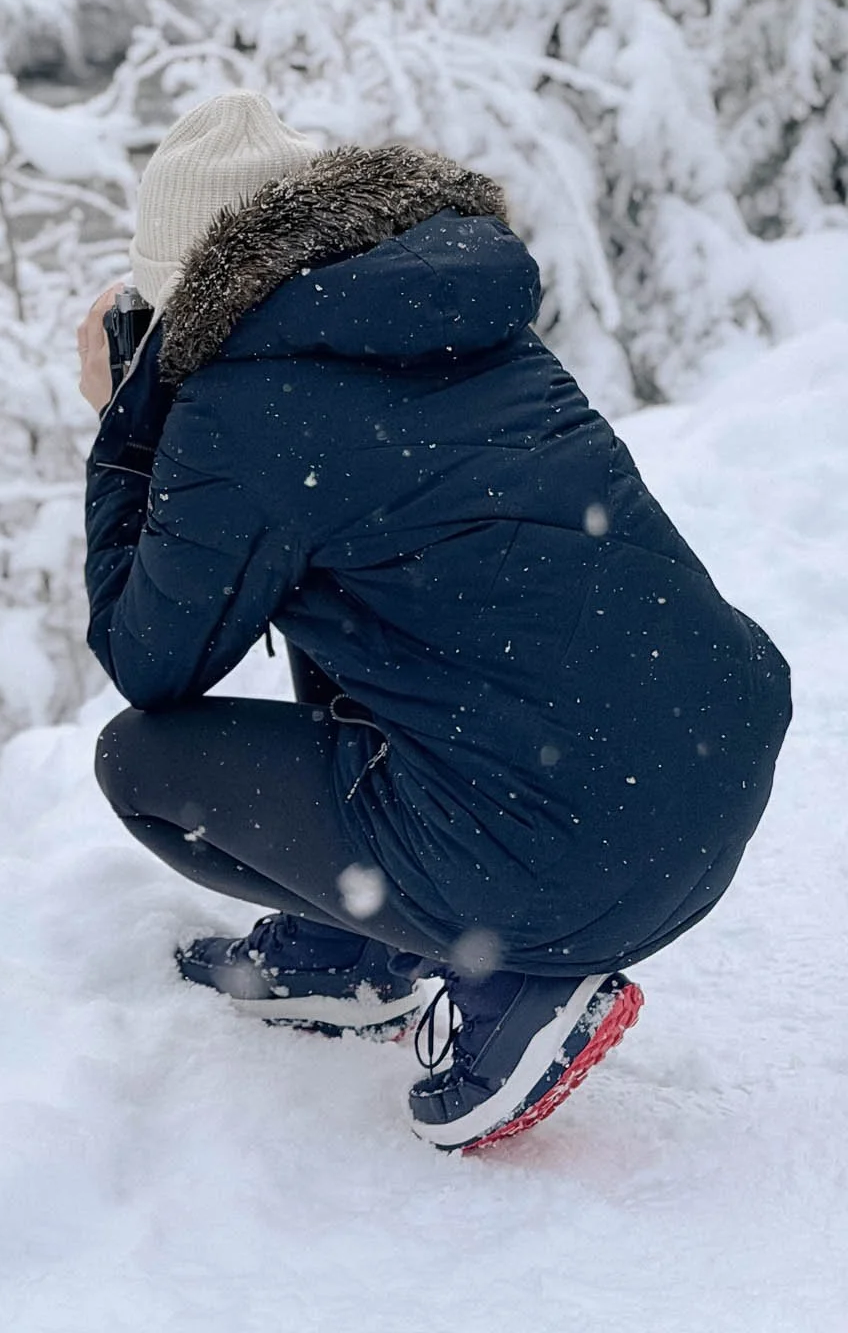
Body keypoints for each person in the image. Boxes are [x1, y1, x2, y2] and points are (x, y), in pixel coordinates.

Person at [77, 91, 791, 1153]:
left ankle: (505, 983)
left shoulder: (251, 404)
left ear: (193, 290)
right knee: (373, 586)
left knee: (142, 765)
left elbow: (149, 657)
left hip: (569, 851)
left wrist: (126, 425)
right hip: (705, 767)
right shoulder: (459, 319)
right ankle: (367, 942)